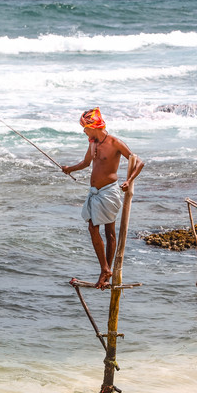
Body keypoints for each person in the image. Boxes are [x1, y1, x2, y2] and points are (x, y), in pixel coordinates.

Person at [62, 108, 144, 289]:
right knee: (93, 228)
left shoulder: (114, 142)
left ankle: (105, 271)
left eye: (85, 128)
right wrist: (70, 169)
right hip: (95, 192)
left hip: (109, 192)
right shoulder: (93, 143)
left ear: (94, 126)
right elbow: (85, 163)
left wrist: (129, 181)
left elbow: (138, 162)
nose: (84, 131)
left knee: (109, 233)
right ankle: (105, 270)